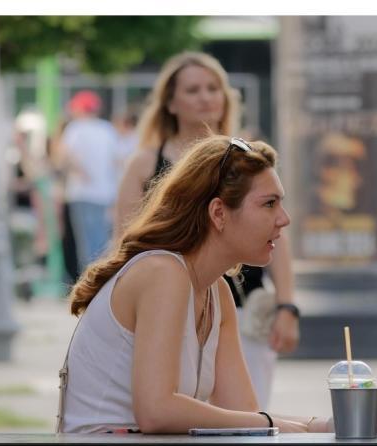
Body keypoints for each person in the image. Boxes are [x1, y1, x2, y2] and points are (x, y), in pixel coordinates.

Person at [56, 134, 377, 446]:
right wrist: (288, 428)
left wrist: (326, 427)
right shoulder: (163, 273)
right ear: (218, 212)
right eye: (269, 204)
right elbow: (157, 411)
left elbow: (244, 415)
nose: (284, 218)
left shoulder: (215, 292)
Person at [113, 51, 299, 410]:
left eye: (213, 88)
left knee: (250, 410)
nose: (205, 97)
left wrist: (288, 306)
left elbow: (277, 232)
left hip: (245, 303)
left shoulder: (249, 159)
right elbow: (126, 239)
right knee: (188, 406)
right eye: (193, 89)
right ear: (169, 101)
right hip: (173, 305)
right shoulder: (145, 162)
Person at [57, 90, 121, 273]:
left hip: (81, 192)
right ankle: (101, 277)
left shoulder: (75, 128)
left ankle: (88, 280)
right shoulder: (107, 129)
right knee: (101, 238)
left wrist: (82, 173)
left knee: (85, 240)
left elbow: (65, 156)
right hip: (105, 192)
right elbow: (116, 161)